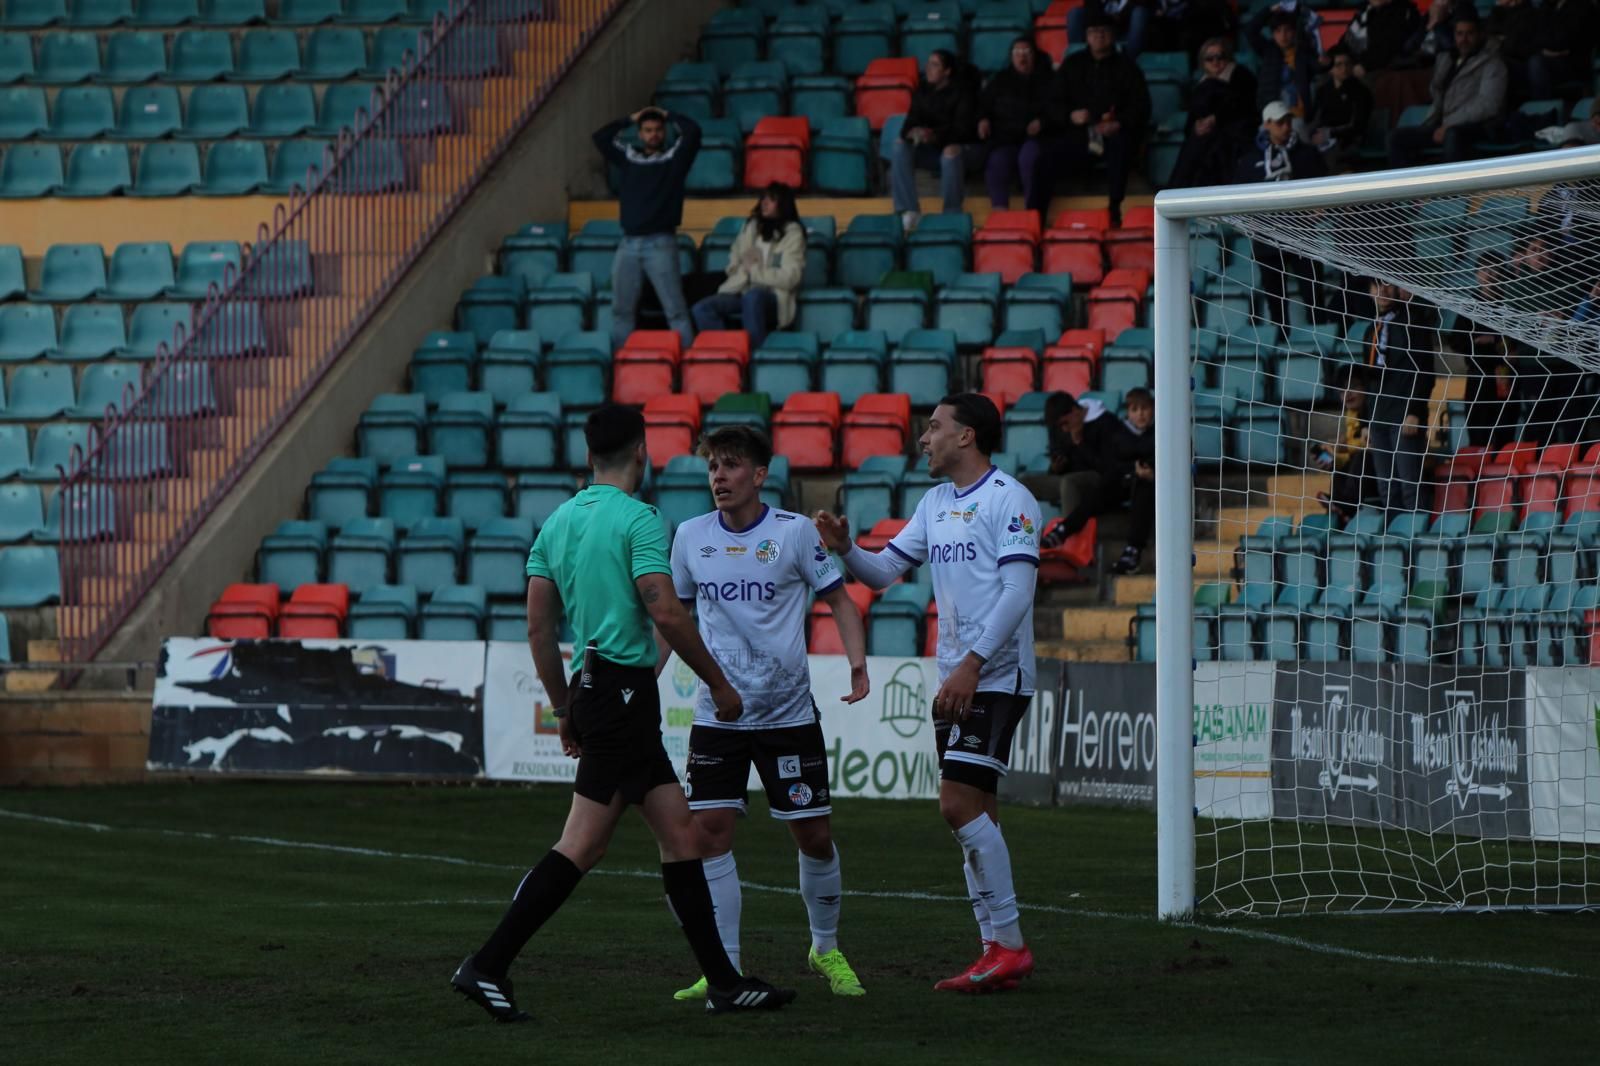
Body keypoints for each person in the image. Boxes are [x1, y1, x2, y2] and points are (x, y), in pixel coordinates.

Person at [449, 405, 794, 1022]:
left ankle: (723, 982)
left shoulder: (557, 521)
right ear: (642, 451)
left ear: (588, 456)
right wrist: (718, 682)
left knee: (680, 835)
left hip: (597, 689)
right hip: (625, 693)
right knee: (581, 844)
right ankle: (487, 963)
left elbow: (537, 624)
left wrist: (563, 707)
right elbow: (665, 612)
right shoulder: (640, 520)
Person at [813, 393, 1039, 994]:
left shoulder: (1010, 499)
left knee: (954, 805)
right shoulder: (936, 502)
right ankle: (993, 948)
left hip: (994, 675)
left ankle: (1010, 943)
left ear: (967, 436)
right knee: (977, 810)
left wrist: (970, 664)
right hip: (958, 677)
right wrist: (845, 550)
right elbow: (884, 572)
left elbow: (1017, 593)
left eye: (934, 427)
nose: (924, 438)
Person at [663, 426, 870, 1003]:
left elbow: (839, 600)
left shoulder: (795, 534)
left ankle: (824, 948)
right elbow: (674, 621)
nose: (718, 478)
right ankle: (723, 968)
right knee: (709, 836)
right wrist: (640, 681)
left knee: (815, 836)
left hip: (787, 716)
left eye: (730, 467)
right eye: (712, 468)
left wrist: (856, 663)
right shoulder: (689, 537)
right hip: (716, 716)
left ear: (759, 475)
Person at [592, 107, 701, 350]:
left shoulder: (675, 159)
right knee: (621, 310)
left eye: (658, 130)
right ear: (639, 134)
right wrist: (629, 118)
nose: (653, 135)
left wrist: (668, 114)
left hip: (660, 242)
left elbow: (693, 132)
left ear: (664, 132)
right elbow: (601, 138)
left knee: (675, 310)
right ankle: (623, 367)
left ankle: (688, 366)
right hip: (628, 242)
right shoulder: (629, 158)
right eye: (647, 130)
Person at [1044, 13, 1151, 226]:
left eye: (1104, 31)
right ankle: (1038, 214)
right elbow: (1053, 103)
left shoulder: (1127, 67)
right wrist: (1071, 116)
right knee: (1044, 154)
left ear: (1113, 36)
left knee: (1120, 147)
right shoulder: (1072, 64)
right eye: (1093, 32)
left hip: (1115, 132)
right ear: (1086, 36)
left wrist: (1118, 122)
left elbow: (1141, 106)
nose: (1099, 36)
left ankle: (1114, 209)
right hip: (1079, 132)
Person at [1235, 101, 1327, 332]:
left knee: (1314, 296)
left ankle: (1321, 344)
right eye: (1279, 122)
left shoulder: (1306, 154)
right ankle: (1281, 347)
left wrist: (1319, 209)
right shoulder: (1250, 160)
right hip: (1267, 239)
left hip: (1303, 237)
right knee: (1275, 301)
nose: (1285, 126)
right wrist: (1250, 220)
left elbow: (1325, 187)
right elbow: (1239, 197)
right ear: (1266, 124)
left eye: (1288, 121)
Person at [690, 183, 805, 351]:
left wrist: (755, 272)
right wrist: (737, 270)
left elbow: (790, 278)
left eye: (771, 200)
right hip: (741, 289)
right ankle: (726, 354)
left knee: (753, 297)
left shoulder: (793, 234)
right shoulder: (750, 227)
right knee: (702, 308)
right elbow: (734, 258)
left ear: (783, 204)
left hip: (774, 297)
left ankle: (756, 357)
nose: (764, 203)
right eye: (763, 198)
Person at [1389, 11, 1507, 167]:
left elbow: (1488, 104)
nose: (1464, 39)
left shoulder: (1493, 63)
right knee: (1396, 137)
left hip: (1480, 127)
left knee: (1453, 135)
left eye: (1469, 34)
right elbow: (1437, 93)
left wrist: (1450, 123)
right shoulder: (1446, 59)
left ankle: (1451, 191)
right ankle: (1408, 188)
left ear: (1479, 35)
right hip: (1445, 124)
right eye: (1459, 34)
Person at [891, 49, 981, 230]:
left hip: (966, 151)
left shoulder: (963, 92)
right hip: (932, 150)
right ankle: (909, 210)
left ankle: (952, 212)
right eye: (928, 63)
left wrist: (933, 136)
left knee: (950, 151)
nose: (928, 68)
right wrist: (911, 133)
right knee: (899, 146)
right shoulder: (921, 91)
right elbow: (907, 125)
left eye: (935, 64)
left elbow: (963, 131)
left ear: (947, 71)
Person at [1365, 281, 1434, 513]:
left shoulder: (1413, 323)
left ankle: (1419, 544)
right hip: (1378, 416)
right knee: (1387, 489)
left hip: (1404, 415)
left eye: (1387, 285)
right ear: (1369, 291)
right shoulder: (1371, 329)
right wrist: (1366, 420)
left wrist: (1414, 411)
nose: (1382, 291)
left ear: (1398, 289)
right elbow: (1368, 379)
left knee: (1410, 487)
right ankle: (1394, 545)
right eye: (1376, 286)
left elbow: (1425, 371)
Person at [1167, 37, 1260, 188]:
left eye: (1220, 57)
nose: (1215, 62)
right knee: (1193, 145)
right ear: (1203, 63)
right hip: (1206, 134)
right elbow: (1192, 118)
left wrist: (1216, 119)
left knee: (1217, 147)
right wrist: (1196, 127)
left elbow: (1245, 107)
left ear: (1228, 57)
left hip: (1235, 131)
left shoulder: (1241, 75)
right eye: (1209, 58)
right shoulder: (1201, 85)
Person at [976, 37, 1056, 212]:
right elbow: (983, 105)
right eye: (1017, 53)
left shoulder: (1048, 80)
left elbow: (1057, 109)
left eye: (1026, 52)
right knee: (996, 160)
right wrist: (983, 119)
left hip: (1036, 137)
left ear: (1034, 55)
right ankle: (1000, 212)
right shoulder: (1000, 80)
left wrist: (1042, 122)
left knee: (1029, 158)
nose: (1022, 57)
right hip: (1006, 138)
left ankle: (1031, 212)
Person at [1315, 374, 1373, 523]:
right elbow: (1348, 449)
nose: (1347, 394)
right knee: (1338, 465)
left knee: (1361, 457)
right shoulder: (1351, 415)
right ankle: (1337, 506)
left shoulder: (1375, 411)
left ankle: (1344, 506)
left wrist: (1344, 448)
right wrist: (1335, 459)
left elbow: (1370, 446)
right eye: (1342, 390)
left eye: (1353, 387)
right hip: (1360, 477)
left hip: (1381, 474)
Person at [1308, 47, 1375, 171]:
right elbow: (1315, 118)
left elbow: (1358, 126)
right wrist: (1312, 134)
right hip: (1323, 140)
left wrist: (1329, 134)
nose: (1344, 68)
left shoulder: (1361, 91)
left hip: (1349, 141)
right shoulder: (1322, 91)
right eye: (1338, 64)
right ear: (1330, 69)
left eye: (1347, 64)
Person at [1250, 9, 1319, 128]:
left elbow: (1319, 67)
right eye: (1278, 31)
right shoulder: (1268, 50)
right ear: (1272, 34)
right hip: (1272, 113)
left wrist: (1326, 63)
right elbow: (1250, 30)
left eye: (1287, 30)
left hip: (1297, 115)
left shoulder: (1304, 52)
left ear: (1294, 32)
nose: (1283, 36)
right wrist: (1269, 10)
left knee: (1297, 129)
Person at [1337, 0, 1425, 79]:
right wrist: (1332, 57)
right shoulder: (1365, 9)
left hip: (1383, 70)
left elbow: (1388, 47)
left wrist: (1364, 65)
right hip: (1354, 64)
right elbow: (1347, 39)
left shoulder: (1403, 12)